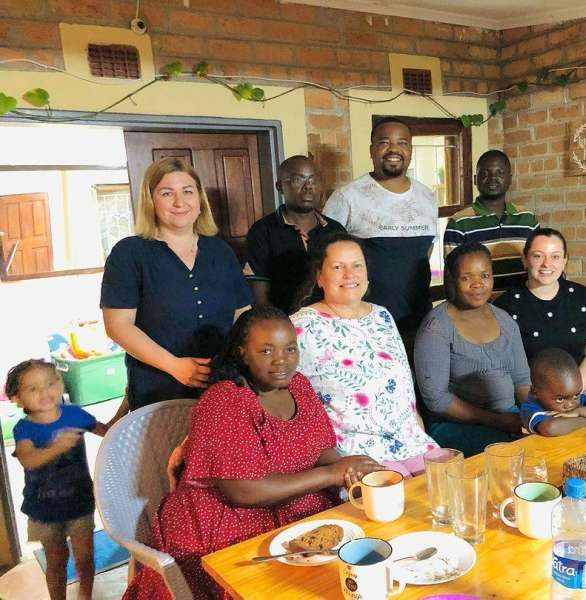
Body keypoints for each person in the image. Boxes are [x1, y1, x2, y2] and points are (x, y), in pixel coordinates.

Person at [122, 306, 380, 600]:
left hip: (292, 506)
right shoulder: (225, 400)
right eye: (266, 351)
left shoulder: (299, 385)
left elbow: (321, 449)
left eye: (290, 349)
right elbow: (242, 491)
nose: (281, 361)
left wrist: (351, 470)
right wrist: (329, 474)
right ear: (243, 352)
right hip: (223, 523)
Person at [101, 157, 252, 411]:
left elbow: (242, 316)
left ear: (200, 199)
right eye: (167, 193)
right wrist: (175, 366)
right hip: (159, 390)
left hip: (223, 388)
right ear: (151, 201)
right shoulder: (129, 253)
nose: (180, 202)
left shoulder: (221, 250)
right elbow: (118, 326)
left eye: (188, 192)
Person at [291, 233, 437, 476]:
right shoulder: (301, 326)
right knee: (399, 498)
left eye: (357, 265)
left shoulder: (381, 315)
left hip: (410, 440)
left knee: (448, 487)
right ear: (319, 277)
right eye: (338, 267)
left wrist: (419, 431)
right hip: (354, 451)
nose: (350, 275)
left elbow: (404, 387)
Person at [323, 117, 437, 339]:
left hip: (419, 321)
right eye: (384, 142)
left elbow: (426, 252)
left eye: (402, 142)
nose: (394, 148)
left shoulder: (427, 197)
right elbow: (325, 260)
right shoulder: (348, 197)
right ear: (371, 150)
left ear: (411, 150)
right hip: (363, 324)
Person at [415, 242, 531, 457]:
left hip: (510, 417)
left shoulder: (505, 321)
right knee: (508, 457)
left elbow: (522, 380)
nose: (478, 284)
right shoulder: (437, 327)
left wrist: (532, 417)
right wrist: (499, 421)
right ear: (452, 279)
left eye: (485, 276)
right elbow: (436, 399)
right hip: (457, 425)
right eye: (467, 277)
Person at [7, 359, 107, 600]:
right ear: (16, 398)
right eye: (33, 388)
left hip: (80, 504)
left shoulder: (75, 414)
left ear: (61, 383)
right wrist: (56, 447)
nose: (45, 392)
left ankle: (85, 596)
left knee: (84, 558)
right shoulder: (24, 429)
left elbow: (109, 431)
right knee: (56, 560)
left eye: (51, 383)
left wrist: (127, 404)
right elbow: (28, 459)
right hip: (44, 511)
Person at [494, 228, 586, 403]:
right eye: (538, 256)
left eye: (555, 256)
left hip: (583, 385)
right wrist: (538, 398)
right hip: (530, 393)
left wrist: (573, 392)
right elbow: (501, 366)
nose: (546, 264)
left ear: (565, 261)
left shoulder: (581, 296)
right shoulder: (505, 306)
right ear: (525, 260)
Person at [246, 155, 346, 313]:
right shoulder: (263, 230)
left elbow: (345, 281)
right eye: (298, 180)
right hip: (285, 325)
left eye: (314, 180)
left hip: (332, 322)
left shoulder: (335, 230)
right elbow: (259, 294)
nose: (308, 186)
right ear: (279, 186)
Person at [443, 150, 538, 291]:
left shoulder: (527, 218)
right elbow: (451, 277)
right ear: (475, 180)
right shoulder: (459, 223)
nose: (493, 178)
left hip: (522, 304)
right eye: (485, 173)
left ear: (510, 179)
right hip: (480, 308)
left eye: (500, 173)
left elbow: (537, 263)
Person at [521, 348, 586, 436]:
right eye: (560, 399)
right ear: (535, 392)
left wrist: (579, 411)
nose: (570, 404)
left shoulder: (578, 400)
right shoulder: (531, 408)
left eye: (576, 395)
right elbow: (551, 429)